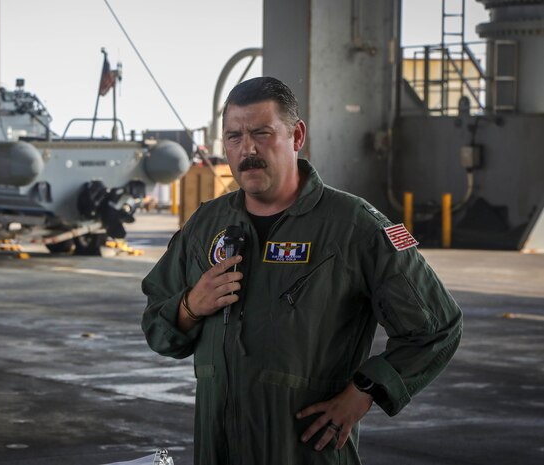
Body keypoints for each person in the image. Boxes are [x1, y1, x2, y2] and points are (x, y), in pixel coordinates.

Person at [141, 77, 462, 465]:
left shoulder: (353, 227)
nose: (248, 150)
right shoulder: (205, 227)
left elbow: (436, 328)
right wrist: (191, 305)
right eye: (234, 137)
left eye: (262, 133)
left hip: (305, 452)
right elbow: (159, 332)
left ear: (296, 136)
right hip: (218, 449)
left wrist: (362, 393)